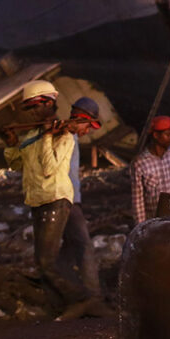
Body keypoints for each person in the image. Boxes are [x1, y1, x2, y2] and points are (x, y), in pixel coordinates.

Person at [2, 80, 98, 318]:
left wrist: (47, 137)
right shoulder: (34, 133)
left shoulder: (63, 134)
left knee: (52, 259)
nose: (32, 112)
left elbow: (49, 169)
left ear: (49, 103)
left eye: (35, 106)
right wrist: (11, 143)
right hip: (39, 201)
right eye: (29, 108)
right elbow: (18, 165)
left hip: (59, 198)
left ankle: (86, 298)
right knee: (49, 258)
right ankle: (65, 303)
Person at [59, 97, 104, 301]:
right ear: (80, 118)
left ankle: (65, 289)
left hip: (69, 199)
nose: (89, 131)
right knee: (84, 245)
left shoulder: (72, 137)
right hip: (64, 199)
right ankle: (93, 296)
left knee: (68, 249)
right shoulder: (62, 136)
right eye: (89, 125)